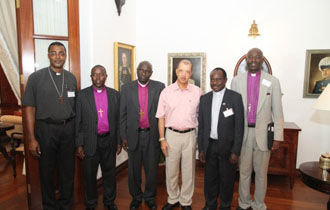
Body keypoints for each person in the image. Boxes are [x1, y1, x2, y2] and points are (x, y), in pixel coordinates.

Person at [22, 42, 77, 210]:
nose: (58, 56)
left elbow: (74, 107)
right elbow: (29, 108)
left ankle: (66, 205)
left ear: (65, 56)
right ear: (48, 56)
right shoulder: (36, 78)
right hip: (46, 130)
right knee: (46, 172)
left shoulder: (71, 78)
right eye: (54, 53)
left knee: (67, 172)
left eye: (61, 53)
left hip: (68, 129)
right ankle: (50, 206)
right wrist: (31, 139)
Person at [231, 48, 284, 210]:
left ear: (262, 60)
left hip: (263, 135)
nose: (253, 60)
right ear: (246, 60)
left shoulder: (273, 81)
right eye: (250, 57)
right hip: (243, 134)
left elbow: (278, 112)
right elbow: (233, 110)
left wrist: (277, 137)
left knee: (261, 174)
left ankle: (259, 204)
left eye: (257, 57)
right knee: (244, 172)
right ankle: (244, 202)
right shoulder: (236, 81)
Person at [156, 59, 202, 210]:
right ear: (176, 71)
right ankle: (173, 198)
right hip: (171, 135)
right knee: (171, 170)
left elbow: (201, 116)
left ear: (191, 73)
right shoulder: (166, 92)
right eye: (181, 71)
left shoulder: (197, 92)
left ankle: (186, 201)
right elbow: (161, 117)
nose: (184, 75)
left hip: (190, 136)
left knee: (189, 171)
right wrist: (162, 139)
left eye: (187, 71)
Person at [120, 61, 165, 210]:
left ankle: (150, 197)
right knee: (133, 170)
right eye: (141, 70)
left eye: (147, 71)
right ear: (137, 71)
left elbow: (163, 114)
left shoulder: (159, 87)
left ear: (151, 73)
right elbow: (122, 115)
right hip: (134, 135)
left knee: (151, 169)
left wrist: (162, 137)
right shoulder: (126, 88)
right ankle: (136, 197)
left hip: (151, 135)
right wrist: (123, 137)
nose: (144, 74)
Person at [75, 65, 121, 210]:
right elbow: (78, 122)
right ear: (91, 77)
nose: (98, 77)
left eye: (101, 74)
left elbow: (118, 120)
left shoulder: (115, 94)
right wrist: (79, 144)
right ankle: (90, 203)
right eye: (95, 74)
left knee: (110, 174)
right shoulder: (82, 95)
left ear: (106, 76)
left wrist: (118, 141)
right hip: (90, 142)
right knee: (89, 175)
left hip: (109, 140)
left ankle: (109, 201)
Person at [198, 68, 244, 210]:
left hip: (227, 148)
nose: (214, 82)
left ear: (225, 80)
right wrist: (201, 149)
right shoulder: (204, 99)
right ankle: (210, 204)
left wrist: (236, 151)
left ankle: (225, 205)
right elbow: (202, 127)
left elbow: (239, 126)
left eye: (218, 79)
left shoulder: (235, 97)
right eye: (212, 79)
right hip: (210, 146)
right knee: (210, 179)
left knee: (227, 179)